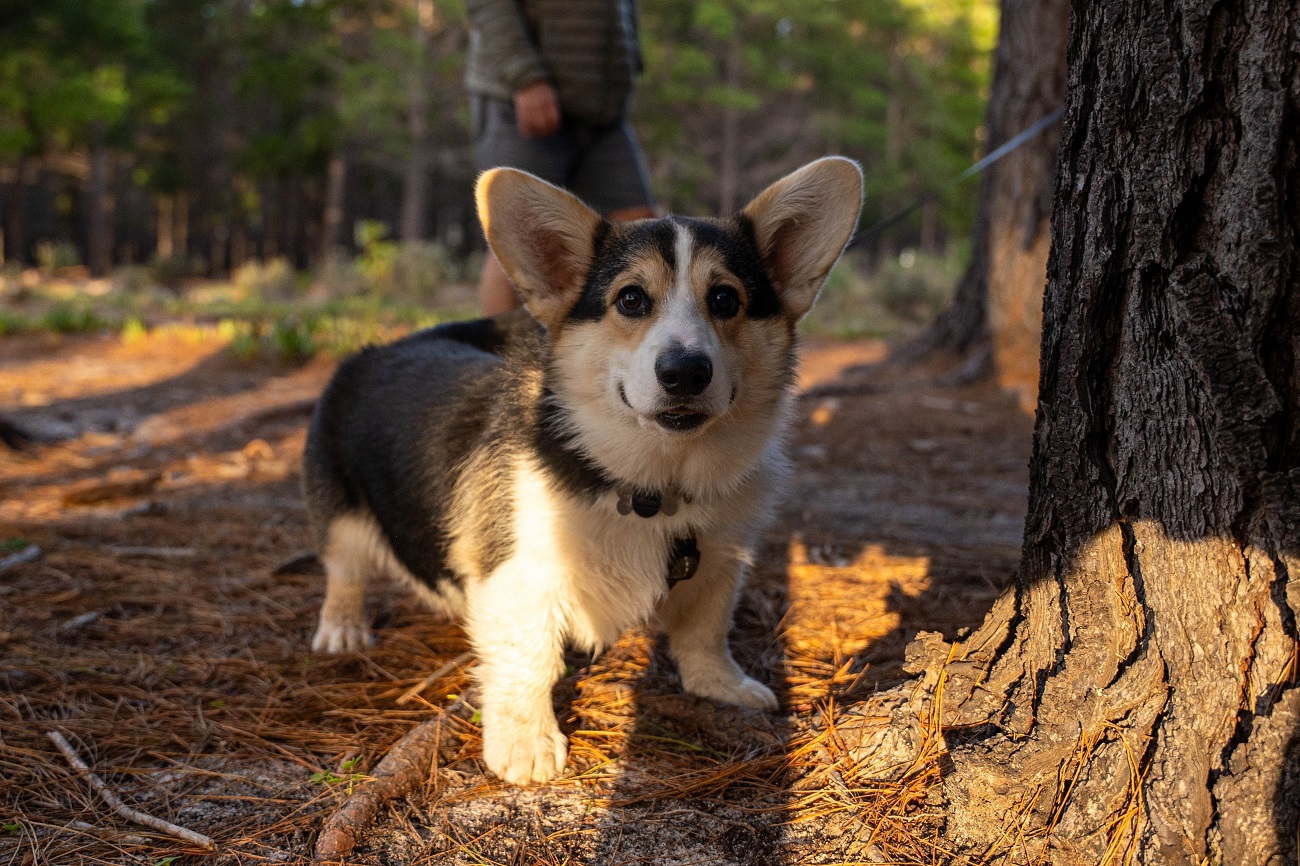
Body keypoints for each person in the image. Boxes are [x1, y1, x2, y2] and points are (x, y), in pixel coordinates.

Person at [466, 0, 657, 315]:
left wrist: (629, 60)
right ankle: (501, 359)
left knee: (639, 225)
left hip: (602, 112)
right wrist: (526, 78)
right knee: (518, 237)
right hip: (523, 97)